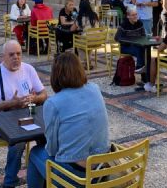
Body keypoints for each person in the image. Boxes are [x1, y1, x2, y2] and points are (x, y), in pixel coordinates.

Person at [26, 52, 110, 188]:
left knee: (35, 153)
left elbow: (52, 150)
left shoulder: (53, 103)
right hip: (101, 168)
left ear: (56, 75)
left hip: (77, 175)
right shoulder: (95, 89)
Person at [0, 40, 47, 188]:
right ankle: (9, 182)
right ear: (3, 57)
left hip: (29, 116)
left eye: (18, 54)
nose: (16, 57)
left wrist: (35, 98)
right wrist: (11, 103)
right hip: (5, 120)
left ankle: (44, 176)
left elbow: (44, 94)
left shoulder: (28, 69)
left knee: (47, 135)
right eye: (11, 55)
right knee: (19, 143)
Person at [115, 7, 146, 72]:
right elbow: (117, 38)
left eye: (136, 14)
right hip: (125, 47)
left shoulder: (139, 23)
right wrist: (128, 41)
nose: (135, 16)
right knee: (140, 50)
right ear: (128, 16)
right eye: (133, 15)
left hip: (137, 45)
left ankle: (144, 77)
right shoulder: (123, 25)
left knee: (146, 51)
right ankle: (139, 67)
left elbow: (143, 35)